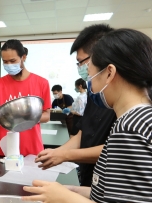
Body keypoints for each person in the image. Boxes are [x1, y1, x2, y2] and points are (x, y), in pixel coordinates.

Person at [23, 28, 152, 203]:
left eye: (91, 75)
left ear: (110, 72)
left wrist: (69, 199)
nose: (90, 85)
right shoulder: (142, 119)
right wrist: (71, 190)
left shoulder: (130, 128)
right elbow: (121, 200)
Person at [35, 24, 116, 187]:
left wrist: (66, 155)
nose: (82, 70)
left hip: (112, 183)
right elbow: (84, 133)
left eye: (82, 63)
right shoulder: (95, 93)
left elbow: (118, 150)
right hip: (91, 179)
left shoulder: (133, 108)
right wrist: (58, 152)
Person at [0, 39, 51, 157]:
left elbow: (47, 115)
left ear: (23, 57)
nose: (9, 65)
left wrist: (25, 117)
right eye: (5, 62)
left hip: (32, 147)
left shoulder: (42, 83)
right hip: (6, 147)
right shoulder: (0, 83)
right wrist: (2, 116)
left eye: (13, 61)